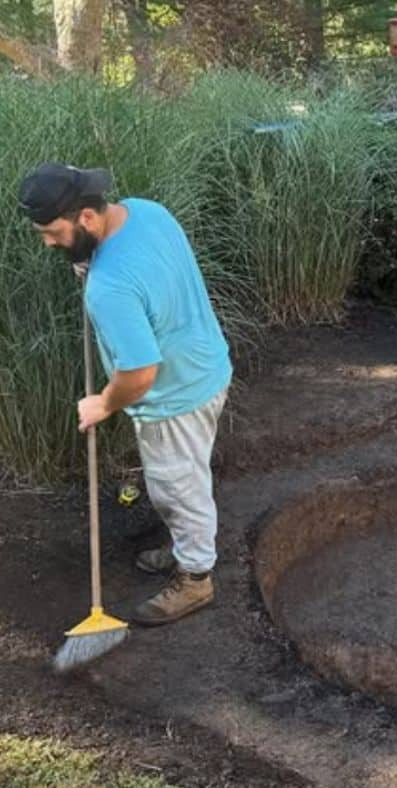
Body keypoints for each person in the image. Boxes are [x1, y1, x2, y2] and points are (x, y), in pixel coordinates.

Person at [18, 163, 232, 626]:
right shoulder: (145, 212)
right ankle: (186, 547)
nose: (48, 242)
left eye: (53, 232)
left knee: (178, 487)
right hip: (207, 364)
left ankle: (196, 578)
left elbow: (139, 373)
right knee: (186, 476)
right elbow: (150, 273)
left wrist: (103, 404)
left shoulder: (109, 286)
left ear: (87, 219)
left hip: (175, 396)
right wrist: (90, 261)